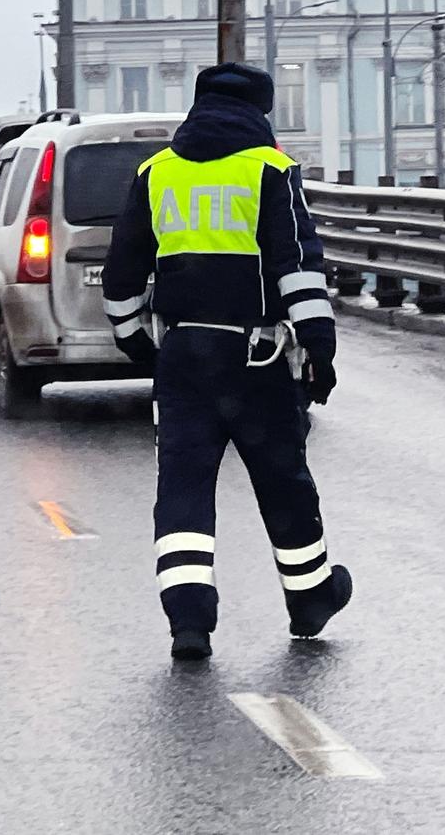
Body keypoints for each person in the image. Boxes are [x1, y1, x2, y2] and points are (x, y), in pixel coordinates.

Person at [102, 62, 353, 661]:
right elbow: (298, 265)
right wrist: (318, 347)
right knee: (282, 480)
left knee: (183, 488)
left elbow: (122, 271)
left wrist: (137, 339)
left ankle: (189, 621)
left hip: (183, 354)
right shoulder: (270, 171)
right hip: (257, 355)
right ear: (262, 112)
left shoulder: (156, 172)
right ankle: (310, 596)